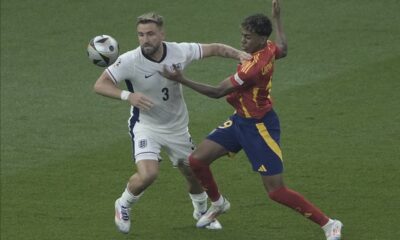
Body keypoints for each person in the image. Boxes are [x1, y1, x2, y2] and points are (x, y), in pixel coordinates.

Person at [161, 1, 343, 239]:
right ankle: (218, 204)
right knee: (196, 161)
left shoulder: (252, 69)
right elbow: (284, 49)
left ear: (259, 37)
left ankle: (329, 224)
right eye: (242, 36)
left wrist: (181, 79)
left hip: (259, 128)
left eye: (247, 37)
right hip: (240, 121)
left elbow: (217, 92)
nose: (242, 41)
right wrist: (277, 19)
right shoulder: (267, 47)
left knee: (276, 191)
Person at [93, 12, 251, 234]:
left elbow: (214, 48)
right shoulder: (129, 60)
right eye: (140, 35)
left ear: (162, 34)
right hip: (146, 126)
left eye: (150, 34)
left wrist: (239, 55)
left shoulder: (179, 50)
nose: (145, 39)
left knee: (193, 173)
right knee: (149, 174)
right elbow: (100, 84)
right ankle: (123, 204)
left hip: (177, 128)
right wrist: (128, 96)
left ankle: (200, 211)